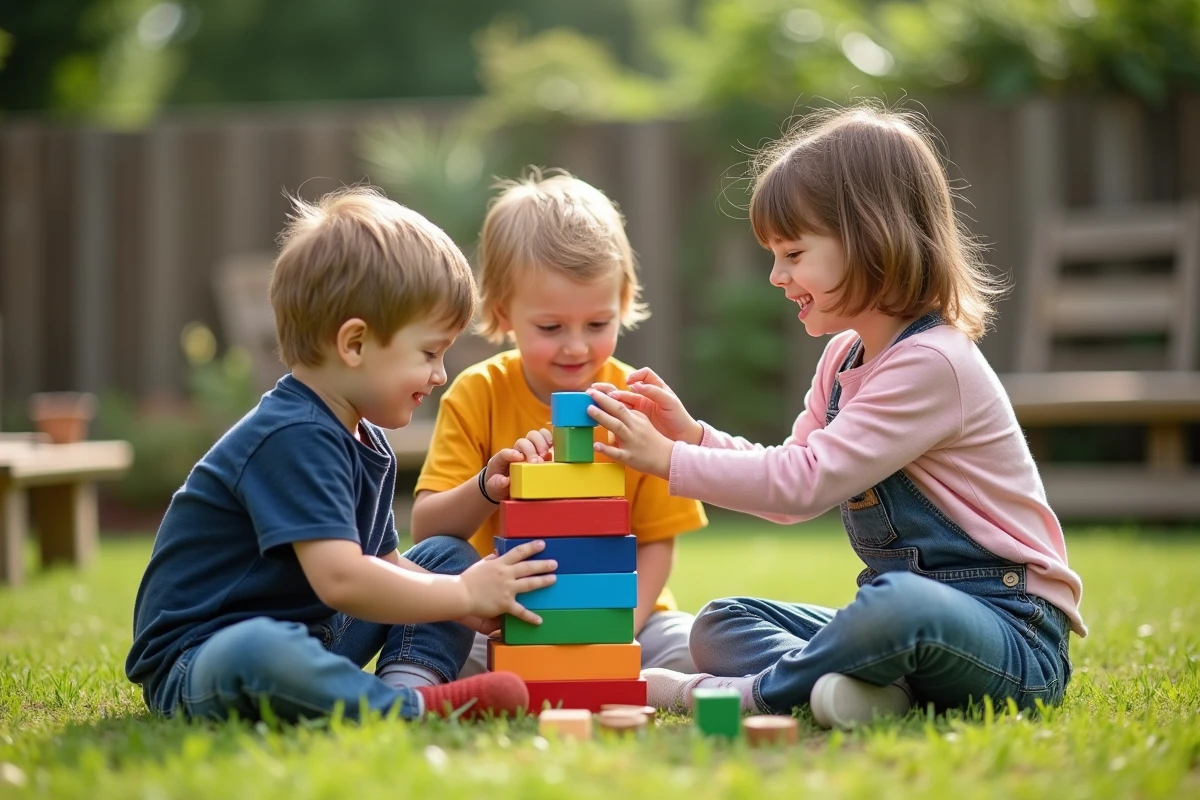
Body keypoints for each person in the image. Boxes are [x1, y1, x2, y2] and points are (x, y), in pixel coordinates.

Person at [583, 105, 1086, 729]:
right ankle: (868, 691)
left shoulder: (933, 363)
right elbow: (789, 485)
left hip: (1011, 638)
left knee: (897, 606)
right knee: (722, 620)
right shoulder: (844, 357)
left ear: (874, 240)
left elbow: (805, 482)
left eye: (794, 252)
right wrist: (692, 436)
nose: (776, 275)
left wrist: (668, 460)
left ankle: (739, 695)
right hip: (910, 632)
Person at [125, 187, 558, 722]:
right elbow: (343, 579)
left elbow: (386, 567)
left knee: (445, 556)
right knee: (261, 646)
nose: (440, 375)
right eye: (428, 352)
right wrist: (463, 596)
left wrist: (466, 595)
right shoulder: (291, 434)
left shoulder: (364, 438)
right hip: (205, 660)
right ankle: (402, 709)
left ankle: (413, 685)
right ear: (354, 344)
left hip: (317, 637)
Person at [412, 170, 708, 676]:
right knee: (443, 640)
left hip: (623, 614)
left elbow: (659, 539)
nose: (576, 346)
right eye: (551, 327)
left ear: (622, 303)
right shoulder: (477, 393)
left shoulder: (639, 403)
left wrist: (620, 629)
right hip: (505, 616)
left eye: (597, 324)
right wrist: (489, 486)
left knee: (694, 643)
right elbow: (428, 530)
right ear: (504, 314)